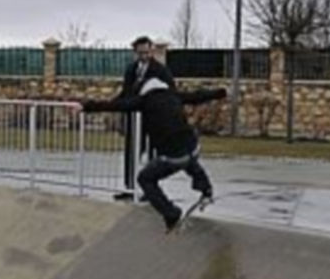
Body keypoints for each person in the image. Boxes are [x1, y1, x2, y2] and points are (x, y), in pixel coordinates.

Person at [78, 75, 226, 231]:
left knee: (145, 178)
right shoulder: (174, 95)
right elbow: (198, 96)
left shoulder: (145, 100)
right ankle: (206, 189)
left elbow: (117, 105)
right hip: (194, 147)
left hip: (172, 156)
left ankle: (171, 213)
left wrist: (87, 107)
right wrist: (220, 92)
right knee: (188, 158)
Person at [112, 36, 176, 201]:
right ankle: (129, 187)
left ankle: (151, 190)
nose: (144, 56)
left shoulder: (160, 70)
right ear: (135, 52)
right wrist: (113, 105)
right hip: (134, 119)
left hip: (153, 120)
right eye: (140, 53)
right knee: (131, 153)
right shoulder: (131, 69)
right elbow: (126, 93)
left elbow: (170, 92)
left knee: (152, 156)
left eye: (147, 52)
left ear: (152, 51)